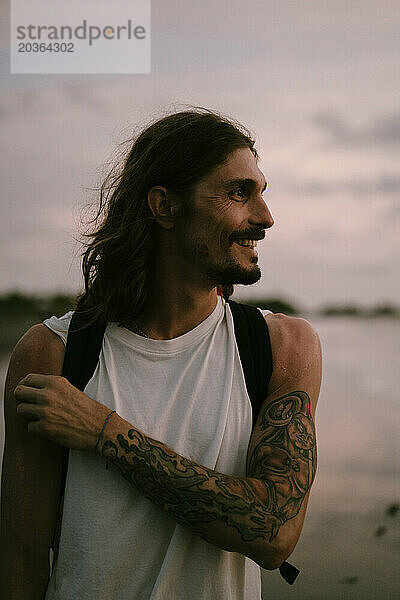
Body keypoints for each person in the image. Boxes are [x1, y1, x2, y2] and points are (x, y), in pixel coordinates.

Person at [0, 108, 322, 600]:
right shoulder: (54, 354)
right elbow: (21, 558)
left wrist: (104, 431)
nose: (265, 217)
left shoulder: (282, 347)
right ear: (165, 206)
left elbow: (273, 532)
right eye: (240, 192)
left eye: (262, 192)